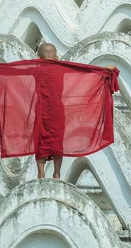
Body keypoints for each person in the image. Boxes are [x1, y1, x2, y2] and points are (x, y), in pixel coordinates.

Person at [35, 43, 116, 179]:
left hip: (40, 110)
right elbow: (83, 70)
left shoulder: (35, 70)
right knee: (57, 142)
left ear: (38, 58)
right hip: (58, 111)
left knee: (40, 142)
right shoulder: (61, 68)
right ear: (57, 57)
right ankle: (56, 173)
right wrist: (104, 70)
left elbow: (13, 71)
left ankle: (41, 173)